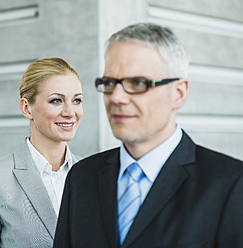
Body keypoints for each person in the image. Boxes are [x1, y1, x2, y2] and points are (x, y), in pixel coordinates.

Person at [54, 23, 243, 248]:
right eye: (110, 83)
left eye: (137, 83)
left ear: (178, 93)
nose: (117, 98)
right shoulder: (81, 177)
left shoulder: (231, 184)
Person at [0, 57, 83, 247]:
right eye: (56, 101)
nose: (70, 112)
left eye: (77, 100)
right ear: (27, 108)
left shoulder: (93, 174)